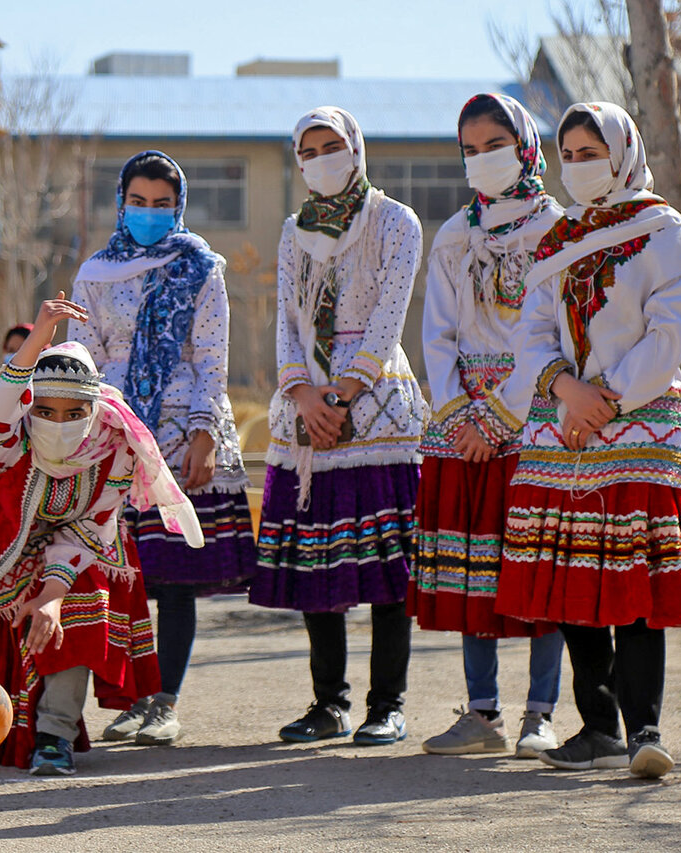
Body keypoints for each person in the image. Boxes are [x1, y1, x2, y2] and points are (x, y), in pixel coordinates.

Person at [495, 102, 681, 780]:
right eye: (570, 154)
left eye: (591, 152)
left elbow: (672, 328)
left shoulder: (666, 233)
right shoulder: (558, 237)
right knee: (572, 577)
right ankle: (596, 726)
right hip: (566, 428)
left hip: (639, 422)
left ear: (623, 152)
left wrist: (607, 395)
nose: (578, 166)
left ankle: (644, 725)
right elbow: (530, 333)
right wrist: (567, 389)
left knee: (636, 580)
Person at [0, 295, 204, 775]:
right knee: (3, 649)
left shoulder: (116, 447)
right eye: (46, 411)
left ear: (93, 409)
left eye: (74, 412)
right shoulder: (7, 442)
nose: (59, 422)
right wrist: (38, 340)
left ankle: (54, 736)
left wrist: (53, 594)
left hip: (82, 544)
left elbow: (91, 526)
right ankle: (1, 727)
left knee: (78, 611)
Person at [249, 107, 428, 746]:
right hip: (306, 414)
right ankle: (330, 704)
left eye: (332, 146)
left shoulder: (395, 221)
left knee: (386, 567)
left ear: (355, 148)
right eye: (309, 150)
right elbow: (285, 322)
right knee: (319, 566)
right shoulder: (294, 230)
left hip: (378, 408)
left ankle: (388, 705)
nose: (321, 158)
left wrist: (346, 390)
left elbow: (389, 313)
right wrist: (301, 393)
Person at [69, 151, 257, 746]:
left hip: (180, 436)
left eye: (162, 204)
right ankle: (134, 697)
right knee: (124, 579)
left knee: (173, 579)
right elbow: (84, 355)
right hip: (113, 434)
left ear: (179, 206)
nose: (149, 214)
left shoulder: (199, 266)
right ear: (120, 203)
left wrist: (205, 433)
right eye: (138, 202)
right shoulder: (95, 272)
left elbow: (211, 356)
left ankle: (165, 701)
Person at [407, 94, 567, 759]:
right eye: (469, 149)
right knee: (475, 566)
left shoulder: (561, 228)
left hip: (535, 418)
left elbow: (552, 331)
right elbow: (437, 334)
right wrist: (461, 414)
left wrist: (501, 415)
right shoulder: (453, 234)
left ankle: (540, 711)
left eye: (494, 144)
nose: (481, 159)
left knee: (537, 566)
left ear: (526, 145)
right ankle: (481, 710)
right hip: (463, 424)